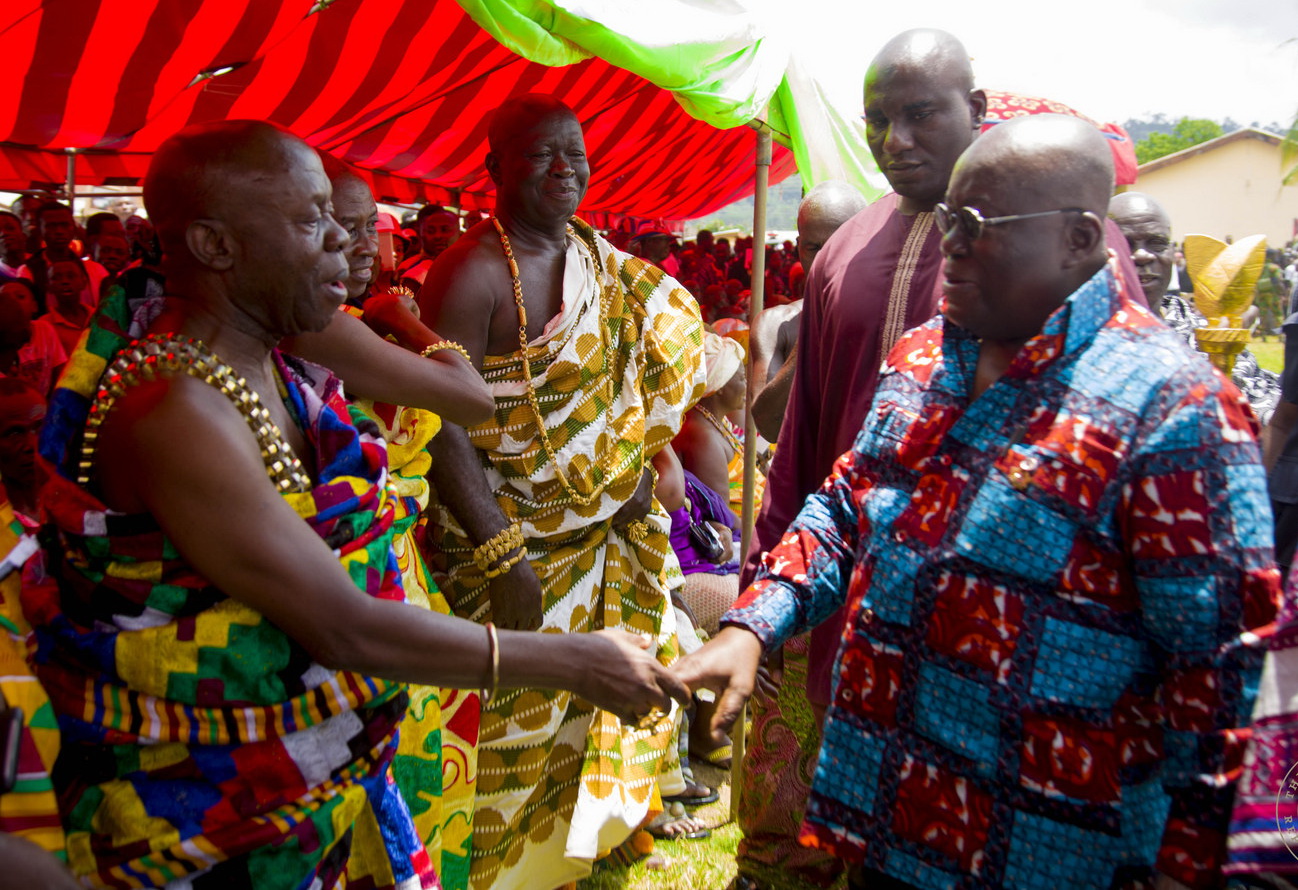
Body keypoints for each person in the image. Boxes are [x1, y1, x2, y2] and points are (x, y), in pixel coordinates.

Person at [24, 118, 688, 890]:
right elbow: (340, 625)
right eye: (313, 222)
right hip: (212, 811)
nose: (348, 244)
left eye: (353, 225)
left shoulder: (277, 348)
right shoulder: (175, 409)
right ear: (215, 246)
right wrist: (575, 659)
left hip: (325, 778)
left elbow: (461, 404)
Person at [681, 113, 1278, 890]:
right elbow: (846, 505)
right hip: (883, 823)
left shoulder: (1176, 413)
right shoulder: (923, 357)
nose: (947, 244)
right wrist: (753, 624)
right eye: (945, 220)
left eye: (976, 224)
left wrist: (1190, 868)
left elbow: (1220, 679)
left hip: (1049, 853)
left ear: (1079, 237)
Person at [416, 94, 705, 890]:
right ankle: (501, 870)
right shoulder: (471, 271)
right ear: (495, 169)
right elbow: (439, 426)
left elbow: (640, 379)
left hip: (607, 536)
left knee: (600, 709)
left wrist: (645, 466)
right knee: (515, 720)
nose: (565, 168)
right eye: (543, 153)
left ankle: (593, 839)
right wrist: (501, 548)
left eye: (575, 152)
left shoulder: (599, 260)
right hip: (512, 541)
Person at [1108, 191, 1279, 425]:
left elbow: (1265, 402)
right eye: (1125, 244)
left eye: (1157, 243)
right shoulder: (1083, 336)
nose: (1142, 255)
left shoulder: (1202, 329)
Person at [749, 181, 867, 442]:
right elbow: (769, 426)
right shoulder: (774, 324)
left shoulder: (886, 314)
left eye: (839, 245)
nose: (826, 260)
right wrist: (819, 323)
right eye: (814, 248)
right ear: (799, 246)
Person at [398, 205, 462, 290]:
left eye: (444, 230)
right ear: (421, 234)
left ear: (460, 234)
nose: (438, 236)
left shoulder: (472, 266)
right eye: (431, 231)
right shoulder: (413, 274)